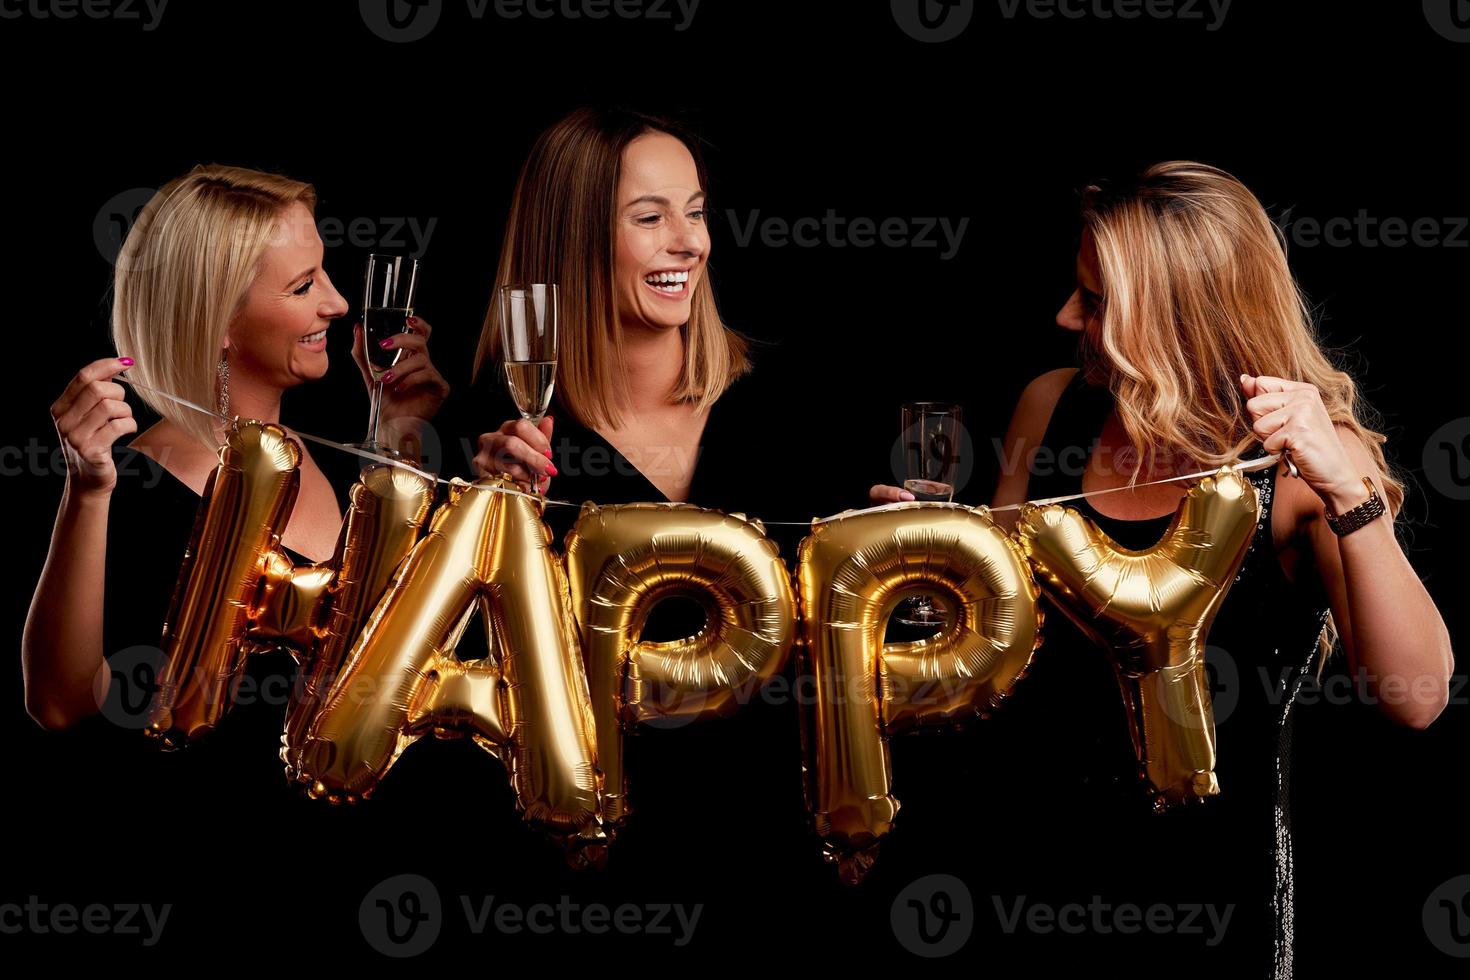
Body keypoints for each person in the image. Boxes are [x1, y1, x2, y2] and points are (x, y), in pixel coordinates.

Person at [872, 161, 1452, 975]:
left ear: (1181, 318)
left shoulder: (1298, 465)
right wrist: (930, 565)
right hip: (1012, 869)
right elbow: (997, 652)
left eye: (1098, 301)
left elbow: (1417, 698)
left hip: (1203, 903)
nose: (1065, 314)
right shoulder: (1051, 405)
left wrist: (1349, 488)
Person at [22, 164, 449, 753]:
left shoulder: (333, 448)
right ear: (219, 319)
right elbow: (61, 703)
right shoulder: (134, 486)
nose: (339, 302)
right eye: (303, 287)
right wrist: (87, 491)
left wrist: (400, 428)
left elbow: (384, 655)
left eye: (323, 272)